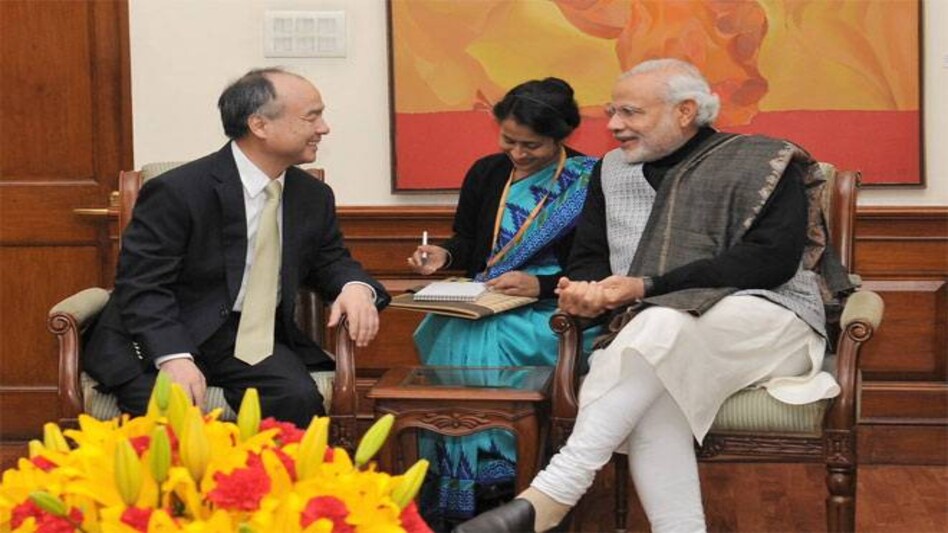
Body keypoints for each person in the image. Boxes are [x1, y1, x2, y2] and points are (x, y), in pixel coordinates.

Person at [454, 59, 851, 533]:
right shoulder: (610, 172)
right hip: (658, 335)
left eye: (630, 112)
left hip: (766, 320)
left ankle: (554, 493)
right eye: (612, 112)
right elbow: (590, 258)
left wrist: (646, 287)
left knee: (655, 330)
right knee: (654, 381)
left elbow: (771, 262)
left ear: (685, 111)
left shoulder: (763, 161)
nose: (615, 125)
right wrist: (589, 290)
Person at [84, 68, 389, 428]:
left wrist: (355, 288)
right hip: (165, 328)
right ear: (259, 125)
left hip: (247, 337)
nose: (324, 128)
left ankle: (284, 485)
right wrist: (173, 356)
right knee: (169, 415)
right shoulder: (178, 191)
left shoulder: (312, 196)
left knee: (298, 399)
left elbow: (330, 260)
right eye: (312, 116)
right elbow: (143, 285)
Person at [406, 78, 599, 526]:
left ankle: (506, 478)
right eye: (508, 140)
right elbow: (469, 244)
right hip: (484, 299)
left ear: (560, 136)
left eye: (531, 145)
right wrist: (443, 255)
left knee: (490, 340)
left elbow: (598, 266)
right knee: (450, 328)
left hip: (553, 310)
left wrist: (540, 286)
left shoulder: (589, 180)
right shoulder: (486, 172)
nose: (517, 153)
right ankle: (459, 480)